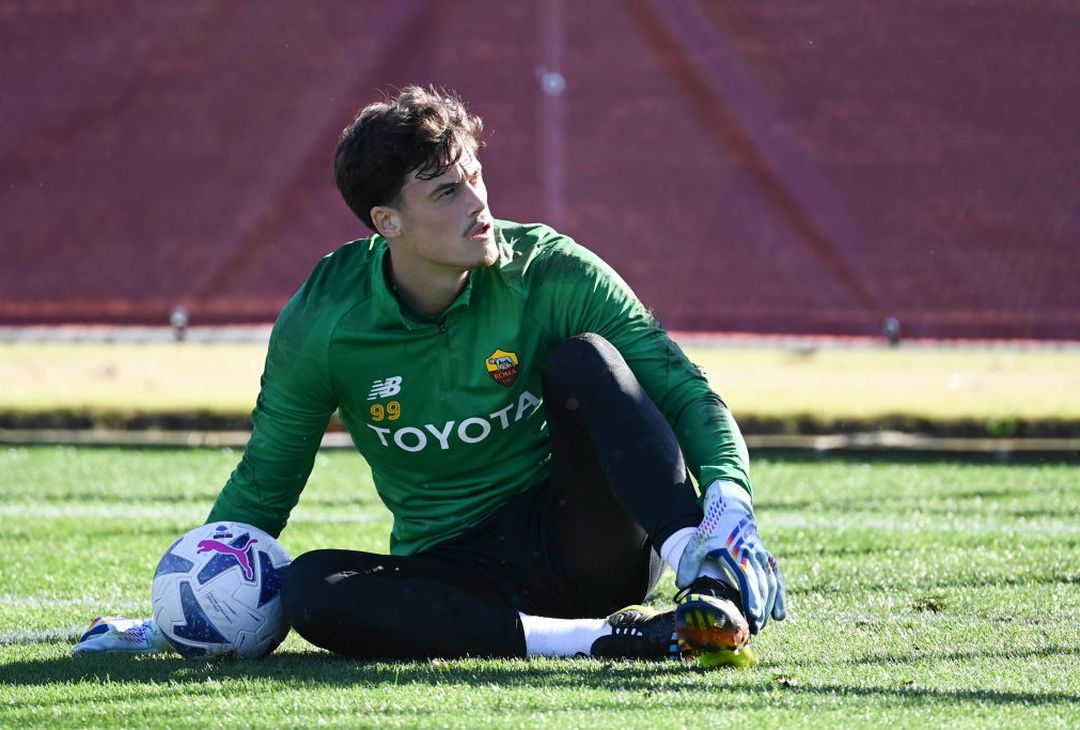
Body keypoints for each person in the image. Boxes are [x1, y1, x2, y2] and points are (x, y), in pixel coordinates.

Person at [75, 85, 785, 663]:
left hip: (589, 542)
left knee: (588, 360)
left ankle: (706, 574)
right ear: (387, 222)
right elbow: (266, 483)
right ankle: (618, 641)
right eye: (445, 192)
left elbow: (681, 388)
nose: (478, 205)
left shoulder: (550, 271)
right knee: (312, 588)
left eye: (474, 176)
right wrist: (183, 614)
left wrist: (728, 502)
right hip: (458, 573)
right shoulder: (325, 322)